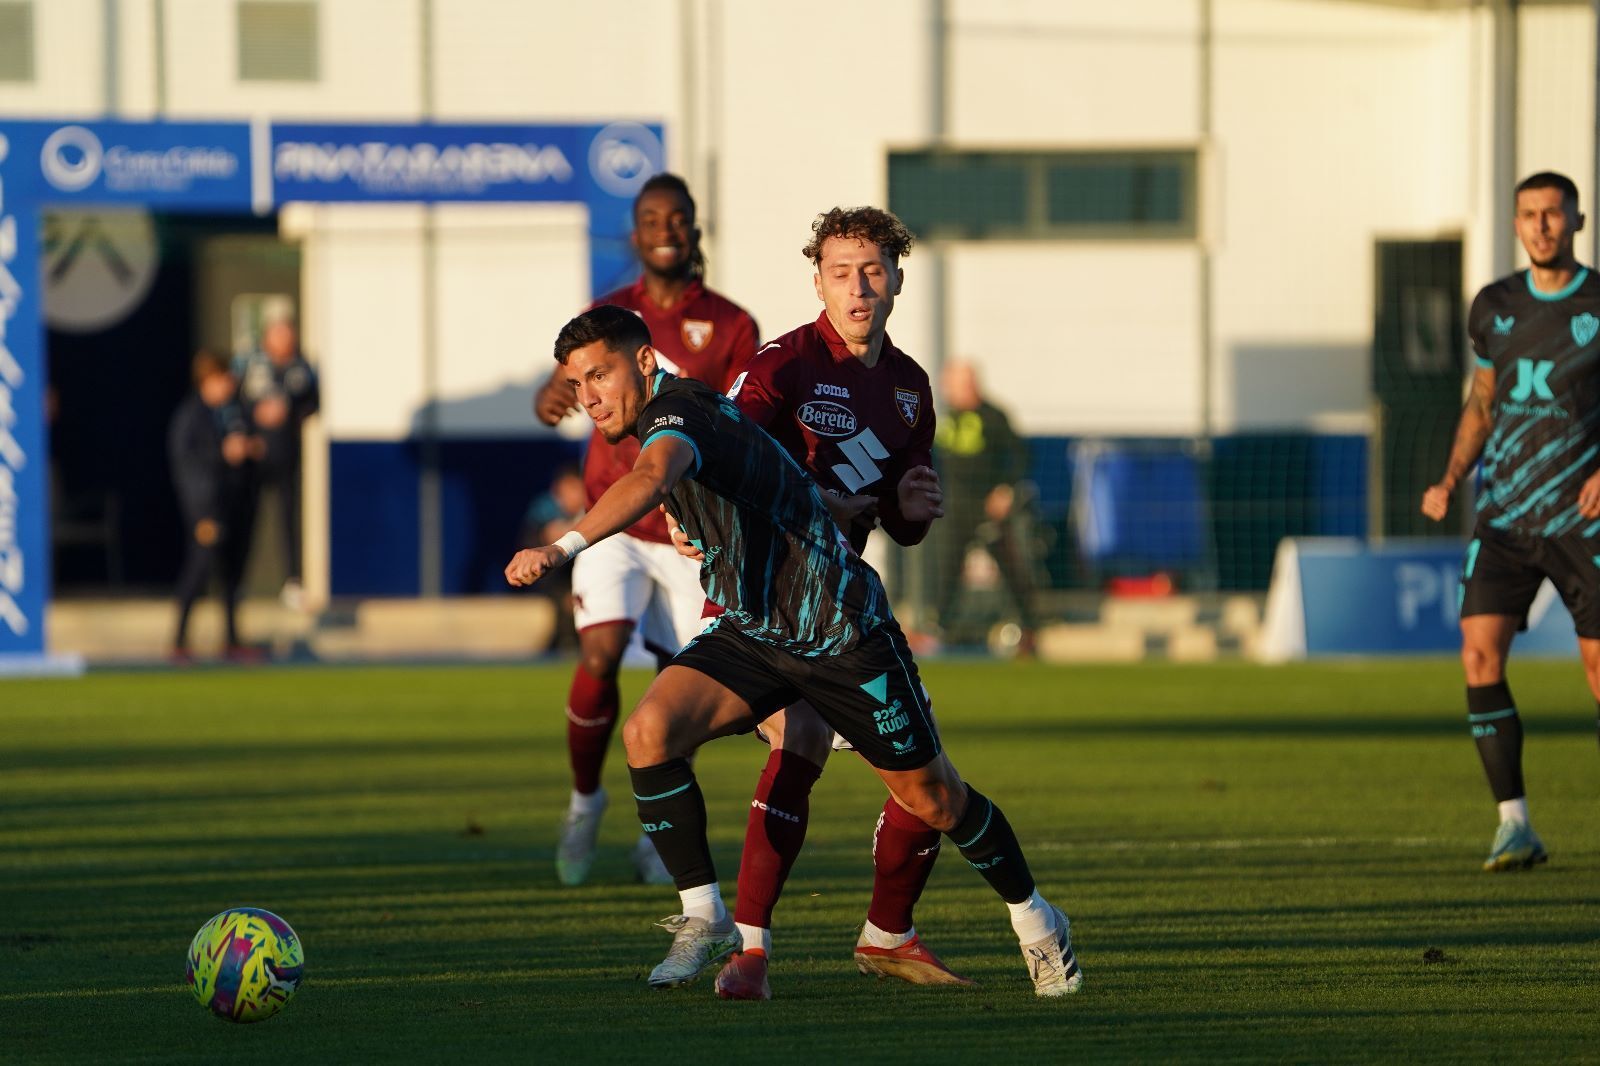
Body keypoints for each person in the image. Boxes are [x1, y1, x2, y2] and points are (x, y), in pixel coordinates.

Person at [505, 305, 1083, 999]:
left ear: (647, 363)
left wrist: (560, 546)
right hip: (756, 630)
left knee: (935, 799)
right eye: (578, 383)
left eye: (601, 374)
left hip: (841, 634)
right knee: (650, 732)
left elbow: (655, 476)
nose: (589, 396)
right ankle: (707, 917)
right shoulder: (688, 415)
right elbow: (757, 474)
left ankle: (1038, 923)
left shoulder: (676, 411)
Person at [686, 207, 957, 999]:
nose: (859, 287)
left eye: (873, 270)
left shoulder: (908, 389)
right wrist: (814, 501)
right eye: (842, 272)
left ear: (898, 279)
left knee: (920, 771)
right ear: (818, 282)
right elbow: (726, 457)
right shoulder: (784, 366)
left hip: (836, 611)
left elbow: (901, 526)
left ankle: (875, 936)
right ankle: (753, 951)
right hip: (759, 595)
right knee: (798, 739)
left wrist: (912, 502)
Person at [531, 173, 759, 886]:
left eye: (678, 217)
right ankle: (583, 803)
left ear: (694, 228)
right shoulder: (608, 314)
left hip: (690, 532)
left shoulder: (729, 323)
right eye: (651, 218)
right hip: (614, 521)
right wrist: (553, 393)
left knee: (679, 689)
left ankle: (659, 830)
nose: (665, 228)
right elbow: (569, 382)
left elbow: (739, 420)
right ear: (636, 233)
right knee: (600, 652)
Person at [1421, 170, 1600, 872]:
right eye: (1528, 215)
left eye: (1552, 214)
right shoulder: (1492, 307)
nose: (1541, 226)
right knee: (1477, 655)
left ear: (1576, 219)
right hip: (1504, 519)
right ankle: (1514, 824)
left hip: (1582, 523)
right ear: (1517, 224)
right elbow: (1484, 400)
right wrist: (1450, 477)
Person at [932, 359, 1040, 651]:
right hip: (955, 507)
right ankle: (941, 626)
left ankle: (1029, 626)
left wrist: (1005, 490)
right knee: (947, 567)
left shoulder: (994, 416)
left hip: (987, 508)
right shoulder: (947, 417)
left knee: (1010, 567)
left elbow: (1019, 455)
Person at [168, 350, 262, 662]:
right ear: (207, 380)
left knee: (233, 577)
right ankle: (179, 639)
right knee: (199, 571)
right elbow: (188, 467)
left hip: (236, 504)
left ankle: (232, 639)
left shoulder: (234, 413)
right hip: (208, 508)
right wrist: (201, 513)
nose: (228, 385)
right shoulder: (191, 417)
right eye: (222, 379)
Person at [235, 318, 319, 611]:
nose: (284, 340)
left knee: (288, 521)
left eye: (289, 334)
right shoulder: (251, 364)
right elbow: (233, 400)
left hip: (286, 456)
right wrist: (254, 417)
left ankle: (293, 582)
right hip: (254, 457)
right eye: (278, 334)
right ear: (267, 337)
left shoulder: (301, 367)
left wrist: (290, 410)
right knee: (247, 521)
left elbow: (313, 402)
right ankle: (238, 583)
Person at [518, 463, 587, 653]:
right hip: (552, 579)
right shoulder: (544, 510)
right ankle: (561, 644)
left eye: (577, 488)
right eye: (569, 488)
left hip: (581, 577)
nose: (574, 495)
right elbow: (531, 544)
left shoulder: (593, 510)